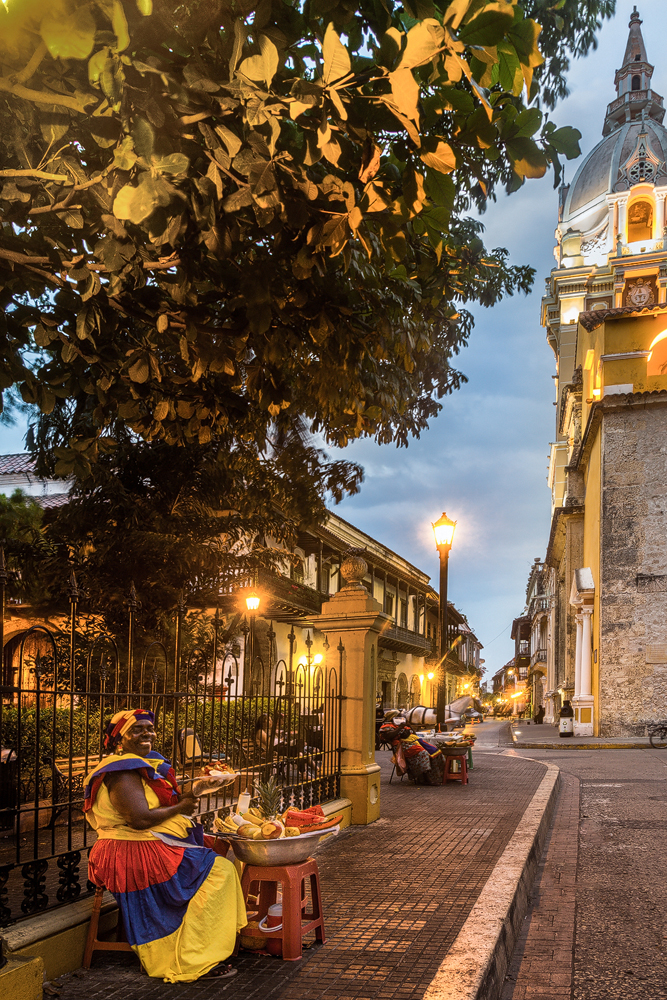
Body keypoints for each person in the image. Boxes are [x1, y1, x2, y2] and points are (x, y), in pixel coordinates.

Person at [84, 708, 246, 983]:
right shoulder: (121, 772)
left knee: (221, 857)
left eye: (149, 728)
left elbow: (162, 803)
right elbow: (139, 818)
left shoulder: (143, 764)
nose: (147, 733)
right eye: (137, 729)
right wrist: (183, 805)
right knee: (220, 872)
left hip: (145, 843)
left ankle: (206, 942)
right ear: (119, 739)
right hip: (129, 850)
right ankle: (192, 955)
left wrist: (200, 789)